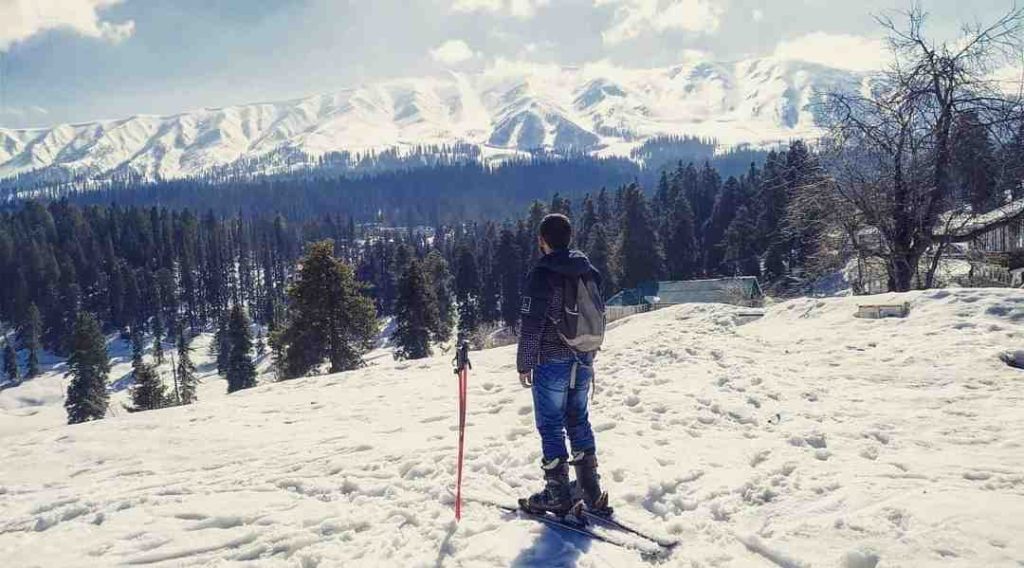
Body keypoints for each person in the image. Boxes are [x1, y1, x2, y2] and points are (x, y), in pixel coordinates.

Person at [517, 213, 610, 516]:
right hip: (582, 357)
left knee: (551, 425)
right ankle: (590, 488)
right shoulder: (587, 269)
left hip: (551, 359)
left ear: (542, 241)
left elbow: (532, 322)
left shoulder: (543, 273)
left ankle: (557, 492)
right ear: (569, 237)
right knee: (578, 419)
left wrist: (524, 362)